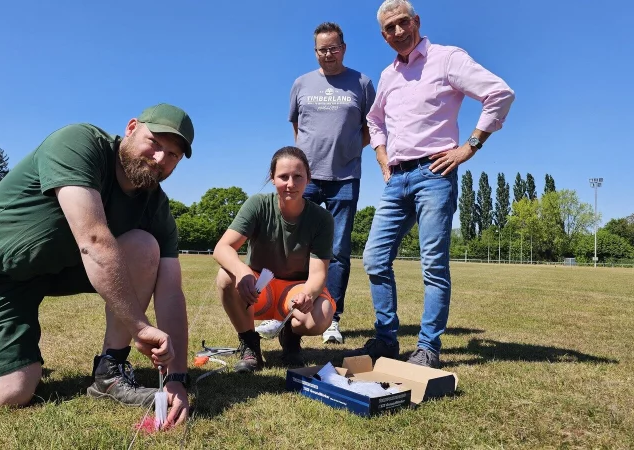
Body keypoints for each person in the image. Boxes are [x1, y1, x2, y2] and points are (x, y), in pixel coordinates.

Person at [0, 104, 194, 426]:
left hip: (62, 267)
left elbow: (171, 293)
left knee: (143, 246)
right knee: (12, 393)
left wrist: (176, 376)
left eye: (174, 154)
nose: (161, 159)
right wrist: (140, 326)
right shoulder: (80, 143)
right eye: (155, 142)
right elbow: (93, 240)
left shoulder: (155, 205)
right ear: (132, 127)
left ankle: (110, 372)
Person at [343, 0, 515, 368]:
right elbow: (375, 121)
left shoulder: (447, 58)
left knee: (433, 264)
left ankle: (428, 348)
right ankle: (387, 340)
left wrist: (470, 146)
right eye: (388, 28)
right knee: (374, 259)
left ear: (416, 21)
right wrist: (381, 156)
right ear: (383, 35)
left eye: (402, 23)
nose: (397, 32)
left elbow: (499, 93)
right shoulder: (388, 76)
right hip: (397, 179)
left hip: (435, 175)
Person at [256, 22, 376, 345]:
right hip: (305, 178)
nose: (328, 54)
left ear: (344, 48)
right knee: (286, 242)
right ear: (315, 52)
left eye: (333, 48)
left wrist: (349, 149)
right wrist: (305, 164)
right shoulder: (301, 84)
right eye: (322, 49)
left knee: (337, 249)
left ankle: (332, 318)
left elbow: (372, 127)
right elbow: (298, 126)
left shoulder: (362, 83)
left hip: (346, 177)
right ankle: (276, 312)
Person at [214, 147, 336, 372]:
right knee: (225, 276)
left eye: (298, 176)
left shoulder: (322, 218)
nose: (291, 183)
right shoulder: (258, 205)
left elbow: (319, 273)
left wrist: (307, 294)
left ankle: (290, 336)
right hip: (259, 288)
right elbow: (223, 248)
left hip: (296, 290)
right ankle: (250, 345)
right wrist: (243, 272)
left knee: (321, 316)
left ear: (308, 178)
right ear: (272, 179)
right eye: (283, 177)